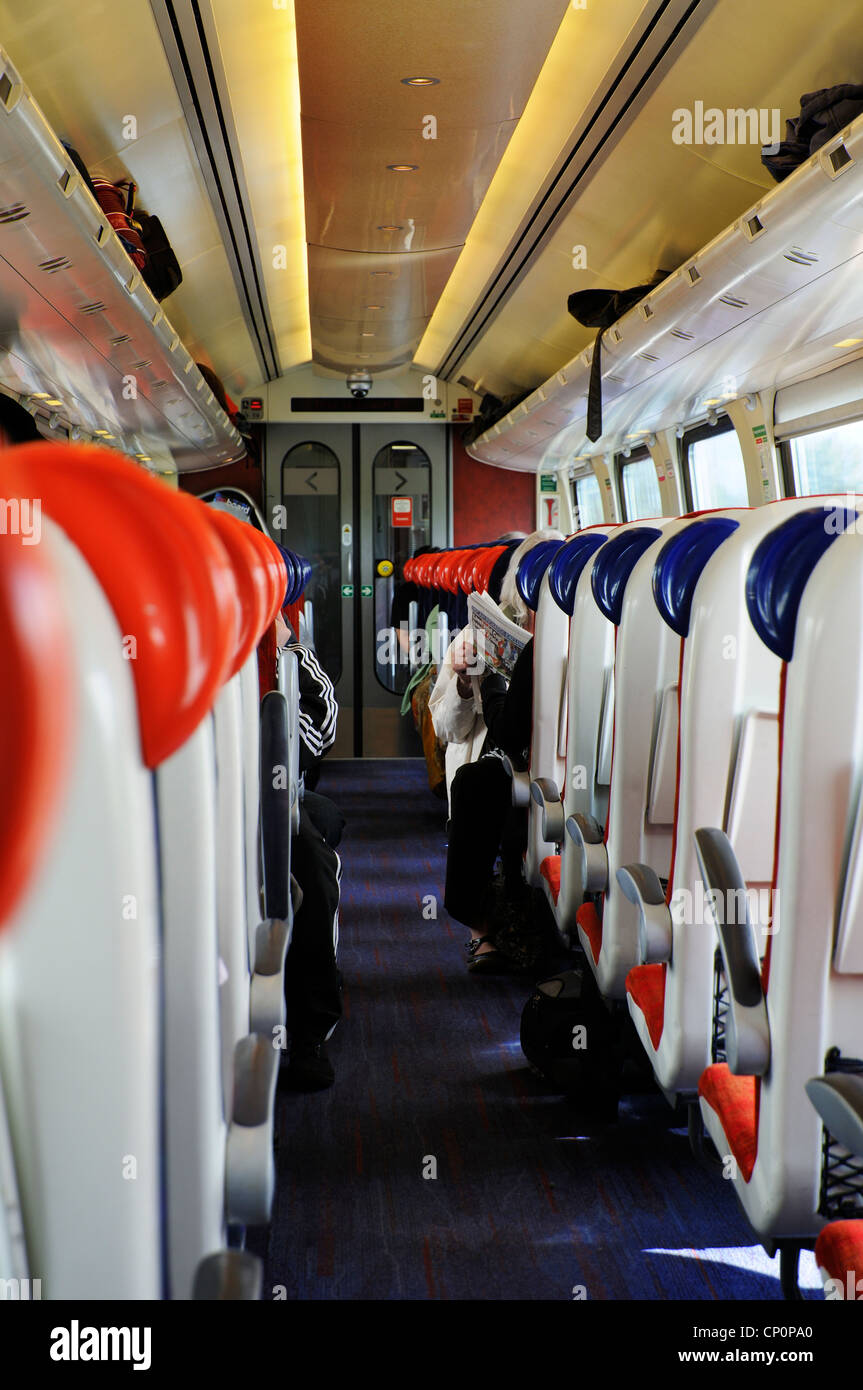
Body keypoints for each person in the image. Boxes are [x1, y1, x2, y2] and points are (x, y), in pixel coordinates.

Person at [273, 604, 345, 1089]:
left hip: (279, 801)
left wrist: (281, 663)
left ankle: (309, 1033)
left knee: (313, 867)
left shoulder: (289, 659)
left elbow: (318, 736)